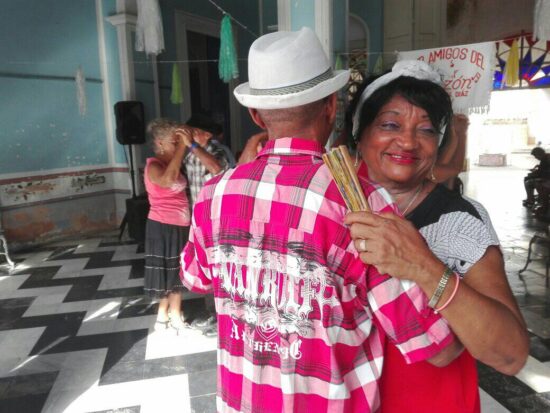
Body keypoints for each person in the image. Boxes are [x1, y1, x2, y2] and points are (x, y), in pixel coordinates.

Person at [180, 28, 459, 413]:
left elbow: (196, 278)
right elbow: (434, 345)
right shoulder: (360, 204)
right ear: (331, 106)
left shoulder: (214, 194)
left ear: (256, 115)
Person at [344, 60, 529, 413]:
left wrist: (424, 267)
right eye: (390, 124)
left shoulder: (458, 221)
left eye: (427, 130)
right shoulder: (326, 205)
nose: (408, 141)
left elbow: (510, 355)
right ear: (359, 131)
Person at [182, 114, 231, 336]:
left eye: (193, 131)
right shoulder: (190, 153)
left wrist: (192, 145)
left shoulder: (217, 150)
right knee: (205, 265)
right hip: (199, 218)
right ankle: (214, 315)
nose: (189, 136)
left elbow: (218, 169)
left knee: (219, 268)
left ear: (206, 134)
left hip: (218, 218)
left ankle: (223, 319)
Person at [143, 118, 193, 334]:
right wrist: (183, 146)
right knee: (167, 273)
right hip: (163, 226)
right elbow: (167, 181)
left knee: (176, 273)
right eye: (174, 142)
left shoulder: (173, 163)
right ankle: (170, 317)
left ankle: (169, 315)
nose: (179, 146)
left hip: (179, 225)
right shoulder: (154, 165)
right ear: (161, 143)